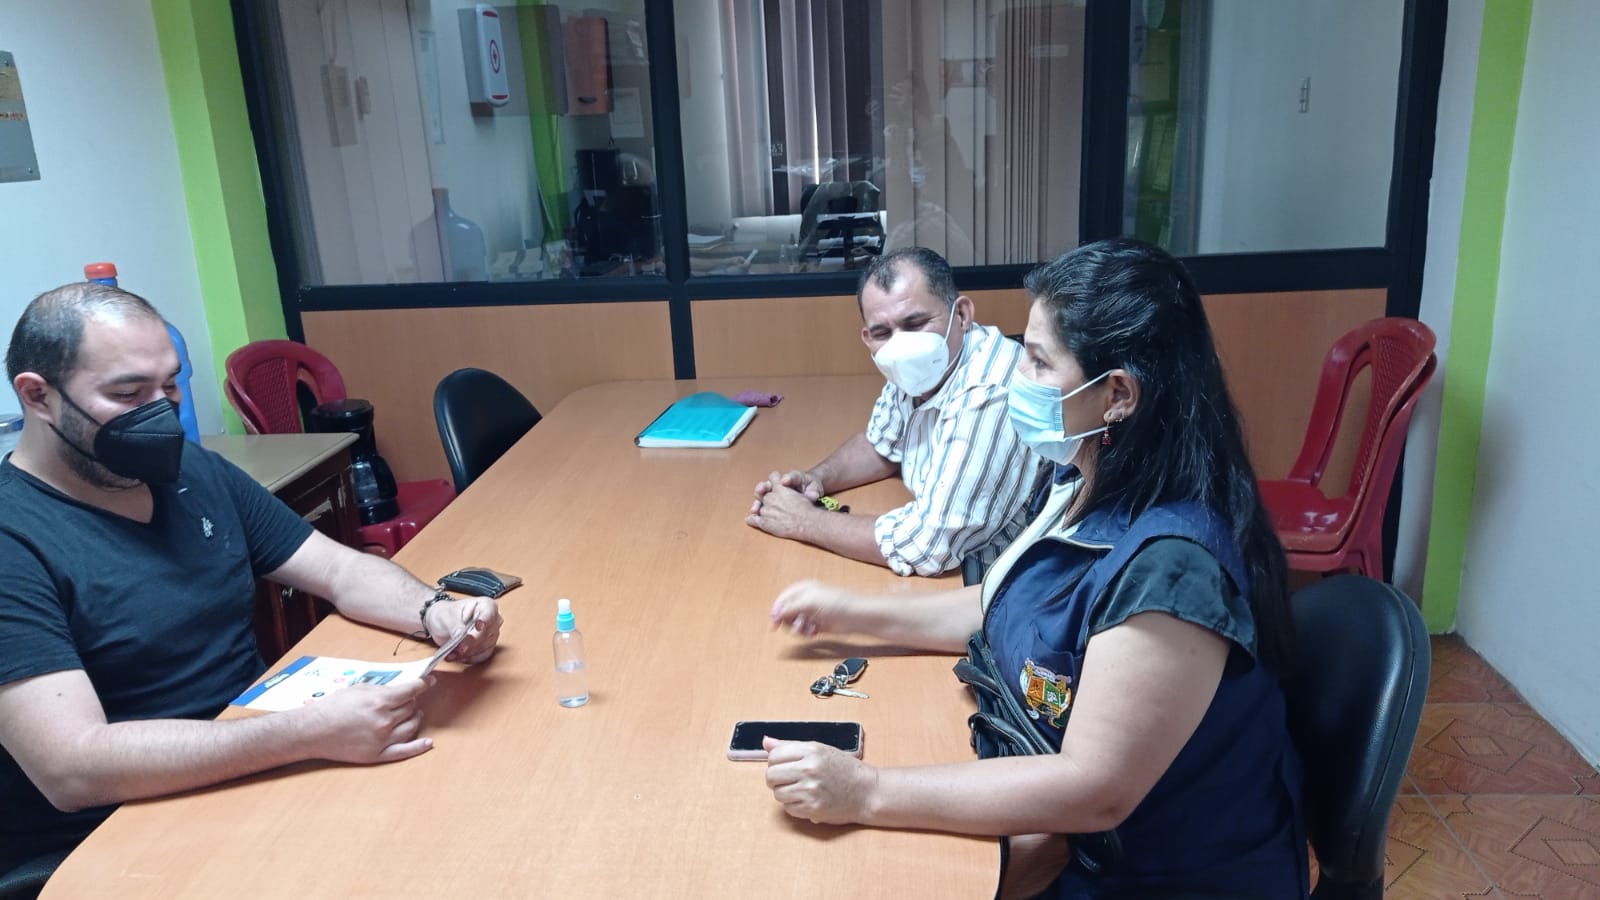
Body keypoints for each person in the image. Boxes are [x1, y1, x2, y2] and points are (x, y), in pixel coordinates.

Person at [761, 240, 1308, 899]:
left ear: (1117, 394)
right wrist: (852, 613)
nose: (1015, 375)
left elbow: (1093, 790)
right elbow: (1005, 602)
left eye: (1039, 360)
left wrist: (868, 791)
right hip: (1043, 792)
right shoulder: (1083, 472)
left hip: (1139, 872)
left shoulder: (1173, 569)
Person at [0, 283, 505, 878]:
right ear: (38, 396)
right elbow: (70, 767)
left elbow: (338, 568)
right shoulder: (14, 541)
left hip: (258, 761)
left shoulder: (192, 472)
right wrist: (305, 735)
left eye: (170, 386)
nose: (160, 413)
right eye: (129, 394)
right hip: (117, 838)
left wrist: (435, 611)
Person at [747, 247, 1038, 576]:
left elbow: (929, 547)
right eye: (883, 333)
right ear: (868, 338)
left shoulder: (989, 392)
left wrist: (804, 520)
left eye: (916, 323)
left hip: (997, 578)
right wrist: (816, 480)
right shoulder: (922, 368)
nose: (901, 345)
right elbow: (881, 445)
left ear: (961, 314)